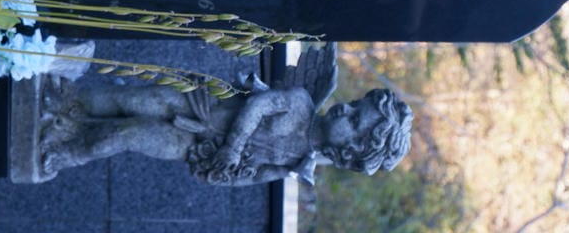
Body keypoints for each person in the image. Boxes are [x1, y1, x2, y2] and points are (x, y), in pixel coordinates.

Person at [38, 82, 413, 186]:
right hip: (195, 107)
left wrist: (232, 169)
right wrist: (234, 147)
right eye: (353, 104)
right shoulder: (300, 103)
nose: (344, 109)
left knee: (126, 135)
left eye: (353, 120)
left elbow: (242, 178)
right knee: (132, 99)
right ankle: (69, 102)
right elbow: (256, 107)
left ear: (349, 151)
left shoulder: (293, 162)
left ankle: (67, 152)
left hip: (194, 144)